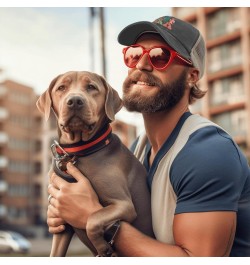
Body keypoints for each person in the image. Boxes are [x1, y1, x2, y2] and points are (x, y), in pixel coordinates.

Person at [47, 16, 250, 257]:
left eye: (159, 57)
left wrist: (93, 216)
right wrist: (67, 212)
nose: (142, 64)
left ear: (191, 76)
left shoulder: (207, 152)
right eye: (134, 54)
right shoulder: (137, 150)